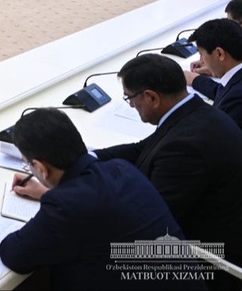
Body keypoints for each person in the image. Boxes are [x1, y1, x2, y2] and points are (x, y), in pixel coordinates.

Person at [0, 108, 191, 290]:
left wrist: (54, 200)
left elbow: (14, 254)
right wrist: (48, 194)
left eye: (28, 165)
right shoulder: (121, 168)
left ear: (41, 168)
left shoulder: (66, 207)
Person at [95, 54, 242, 280]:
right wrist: (84, 158)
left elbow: (147, 220)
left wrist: (73, 191)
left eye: (130, 98)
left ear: (151, 97)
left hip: (208, 264)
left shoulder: (185, 149)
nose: (131, 104)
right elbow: (142, 149)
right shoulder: (195, 111)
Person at [184, 19, 242, 131]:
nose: (201, 61)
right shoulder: (235, 83)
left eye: (201, 54)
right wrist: (196, 79)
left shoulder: (235, 100)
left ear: (219, 53)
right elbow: (222, 91)